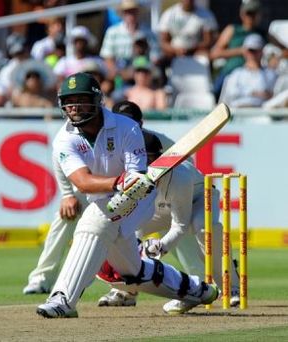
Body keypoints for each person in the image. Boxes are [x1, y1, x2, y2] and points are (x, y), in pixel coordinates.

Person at [36, 72, 219, 318]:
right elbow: (83, 182)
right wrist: (118, 182)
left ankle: (63, 300)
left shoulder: (126, 127)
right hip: (107, 194)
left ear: (97, 100)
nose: (74, 106)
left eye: (81, 99)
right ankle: (198, 290)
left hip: (141, 200)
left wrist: (129, 182)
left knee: (94, 220)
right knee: (132, 272)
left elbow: (136, 177)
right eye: (69, 101)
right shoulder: (64, 138)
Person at [97, 142, 242, 313]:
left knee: (204, 229)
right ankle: (127, 290)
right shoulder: (130, 174)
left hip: (200, 199)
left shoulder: (180, 177)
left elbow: (180, 226)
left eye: (150, 160)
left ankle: (231, 286)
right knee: (126, 231)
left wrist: (160, 247)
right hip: (160, 209)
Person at [23, 100, 145, 295]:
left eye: (133, 121)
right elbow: (59, 159)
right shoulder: (76, 134)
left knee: (138, 229)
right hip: (95, 186)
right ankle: (41, 278)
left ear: (141, 123)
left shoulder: (141, 135)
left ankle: (124, 287)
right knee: (64, 219)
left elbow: (173, 162)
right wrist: (67, 194)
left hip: (136, 192)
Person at [210, 0, 265, 98]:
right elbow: (214, 53)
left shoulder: (262, 33)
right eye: (249, 13)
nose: (251, 17)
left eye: (254, 13)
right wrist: (240, 51)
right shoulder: (232, 29)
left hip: (253, 77)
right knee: (214, 96)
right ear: (242, 14)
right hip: (230, 73)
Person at [220, 33, 277, 108]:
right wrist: (254, 93)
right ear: (245, 52)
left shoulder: (271, 74)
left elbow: (275, 95)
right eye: (250, 50)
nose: (252, 54)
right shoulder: (236, 74)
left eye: (255, 50)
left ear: (262, 52)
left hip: (262, 115)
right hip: (239, 114)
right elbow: (231, 94)